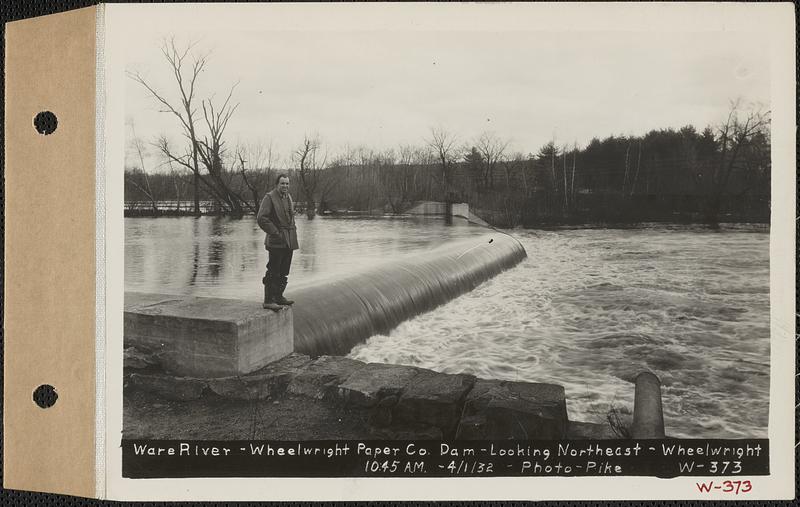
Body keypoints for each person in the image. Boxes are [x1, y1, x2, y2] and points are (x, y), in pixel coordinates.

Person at [256, 174, 299, 308]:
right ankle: (269, 300)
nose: (285, 186)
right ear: (277, 184)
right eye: (282, 183)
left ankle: (278, 297)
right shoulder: (269, 197)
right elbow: (261, 218)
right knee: (273, 270)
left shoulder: (288, 197)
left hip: (289, 240)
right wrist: (275, 232)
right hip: (276, 241)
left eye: (287, 183)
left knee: (284, 270)